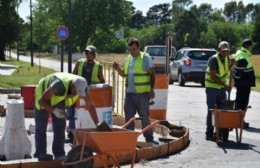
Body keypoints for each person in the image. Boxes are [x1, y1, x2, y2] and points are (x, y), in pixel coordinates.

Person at [33, 72, 99, 160]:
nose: (77, 94)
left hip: (58, 97)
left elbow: (90, 106)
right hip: (42, 95)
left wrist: (97, 124)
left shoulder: (82, 85)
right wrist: (54, 110)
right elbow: (41, 101)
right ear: (72, 86)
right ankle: (40, 154)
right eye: (76, 91)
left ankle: (59, 154)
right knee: (41, 127)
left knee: (60, 126)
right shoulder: (59, 85)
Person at [113, 37, 157, 144]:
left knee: (144, 117)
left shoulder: (145, 58)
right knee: (129, 118)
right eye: (130, 49)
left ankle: (149, 138)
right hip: (129, 94)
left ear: (138, 48)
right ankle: (129, 139)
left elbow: (153, 74)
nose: (132, 51)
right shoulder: (128, 59)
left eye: (134, 49)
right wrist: (118, 68)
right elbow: (124, 75)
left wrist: (152, 89)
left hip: (142, 94)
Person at [65, 45, 105, 142]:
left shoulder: (98, 66)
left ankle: (88, 132)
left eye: (90, 53)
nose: (87, 55)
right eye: (86, 53)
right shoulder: (79, 63)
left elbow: (102, 81)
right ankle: (71, 134)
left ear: (94, 55)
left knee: (88, 112)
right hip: (77, 93)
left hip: (90, 94)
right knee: (72, 112)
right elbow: (72, 76)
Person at [205, 41, 235, 141]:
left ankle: (218, 132)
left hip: (221, 88)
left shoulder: (226, 58)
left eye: (227, 51)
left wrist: (232, 65)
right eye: (224, 51)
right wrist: (225, 86)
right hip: (212, 87)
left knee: (222, 110)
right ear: (219, 50)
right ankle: (209, 134)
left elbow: (225, 71)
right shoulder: (214, 59)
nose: (226, 53)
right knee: (212, 111)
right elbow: (213, 76)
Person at [233, 39, 256, 128]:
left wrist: (236, 81)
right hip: (244, 84)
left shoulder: (240, 52)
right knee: (243, 102)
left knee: (239, 101)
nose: (251, 48)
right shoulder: (243, 56)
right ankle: (239, 121)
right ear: (247, 46)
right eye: (251, 46)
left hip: (242, 84)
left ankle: (238, 120)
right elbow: (239, 72)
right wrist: (235, 80)